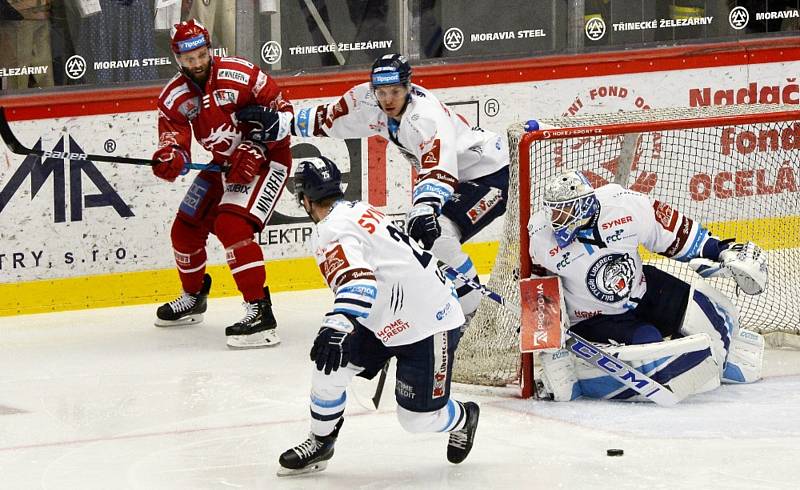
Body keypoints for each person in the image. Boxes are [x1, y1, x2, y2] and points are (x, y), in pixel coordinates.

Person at [235, 53, 509, 326]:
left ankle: (477, 317)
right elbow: (327, 120)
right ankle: (457, 305)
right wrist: (282, 123)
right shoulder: (367, 101)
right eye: (381, 92)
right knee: (428, 240)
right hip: (456, 179)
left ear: (409, 88)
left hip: (490, 175)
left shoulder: (425, 118)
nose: (388, 99)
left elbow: (439, 167)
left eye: (395, 91)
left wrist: (426, 206)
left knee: (441, 237)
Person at [277, 156, 480, 476]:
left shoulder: (329, 229)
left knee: (417, 419)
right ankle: (321, 442)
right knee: (329, 370)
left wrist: (338, 323)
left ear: (304, 199)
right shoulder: (358, 208)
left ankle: (463, 418)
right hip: (384, 318)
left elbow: (359, 282)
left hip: (429, 322)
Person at [528, 170, 768, 402]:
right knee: (650, 346)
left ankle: (726, 357)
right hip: (596, 317)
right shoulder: (540, 237)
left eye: (563, 211)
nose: (555, 219)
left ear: (583, 206)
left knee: (713, 317)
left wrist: (719, 250)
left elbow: (675, 234)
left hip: (644, 289)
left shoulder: (624, 206)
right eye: (553, 211)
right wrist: (550, 347)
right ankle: (584, 375)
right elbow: (538, 292)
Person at [151, 19, 292, 349]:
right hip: (223, 164)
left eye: (201, 55)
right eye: (189, 59)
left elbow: (282, 112)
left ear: (209, 49)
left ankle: (260, 313)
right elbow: (173, 136)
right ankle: (193, 297)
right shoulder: (174, 96)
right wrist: (170, 156)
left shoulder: (240, 74)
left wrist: (257, 146)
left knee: (231, 225)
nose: (197, 63)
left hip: (270, 160)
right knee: (184, 229)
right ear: (177, 59)